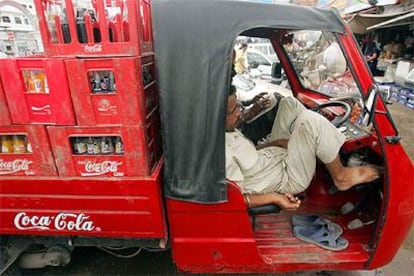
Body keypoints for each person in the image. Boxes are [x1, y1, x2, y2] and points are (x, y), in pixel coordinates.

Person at [225, 85, 379, 210]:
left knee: (288, 104)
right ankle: (341, 176)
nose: (240, 112)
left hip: (270, 157)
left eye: (238, 105)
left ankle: (319, 141)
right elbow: (234, 198)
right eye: (233, 110)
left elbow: (248, 153)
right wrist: (276, 198)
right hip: (286, 177)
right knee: (310, 122)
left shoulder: (224, 130)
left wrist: (273, 144)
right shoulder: (219, 155)